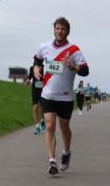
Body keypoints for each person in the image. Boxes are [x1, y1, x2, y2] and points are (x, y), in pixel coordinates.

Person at [33, 18, 89, 176]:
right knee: (50, 126)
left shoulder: (74, 50)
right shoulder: (44, 47)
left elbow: (85, 71)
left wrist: (72, 66)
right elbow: (37, 58)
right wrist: (36, 68)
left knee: (64, 128)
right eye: (57, 28)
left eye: (63, 29)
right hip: (48, 95)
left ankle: (66, 152)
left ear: (68, 31)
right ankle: (51, 161)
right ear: (54, 30)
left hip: (66, 97)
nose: (60, 31)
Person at [26, 63, 46, 134]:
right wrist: (28, 80)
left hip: (43, 89)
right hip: (35, 90)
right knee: (35, 108)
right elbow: (30, 75)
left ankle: (43, 120)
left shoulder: (45, 67)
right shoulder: (32, 68)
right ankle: (37, 127)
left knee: (42, 107)